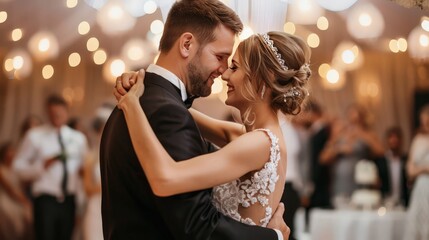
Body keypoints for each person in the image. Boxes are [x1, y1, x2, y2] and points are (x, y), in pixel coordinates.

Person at [115, 27, 311, 238]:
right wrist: (146, 82)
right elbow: (173, 107)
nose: (225, 75)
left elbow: (165, 179)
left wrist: (131, 105)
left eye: (234, 68)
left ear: (262, 79)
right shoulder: (250, 136)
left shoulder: (259, 144)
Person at [12, 94, 88, 240]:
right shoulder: (34, 136)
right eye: (53, 114)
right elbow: (18, 167)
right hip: (45, 200)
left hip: (69, 200)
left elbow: (84, 169)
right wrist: (41, 166)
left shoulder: (78, 139)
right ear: (47, 112)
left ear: (67, 111)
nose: (57, 117)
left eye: (60, 113)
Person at [320, 104, 384, 203]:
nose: (353, 121)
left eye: (357, 119)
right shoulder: (340, 134)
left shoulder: (368, 134)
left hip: (361, 182)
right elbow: (323, 158)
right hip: (340, 182)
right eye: (350, 118)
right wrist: (338, 150)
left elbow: (380, 151)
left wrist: (360, 133)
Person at [403, 104, 429, 240]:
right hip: (422, 188)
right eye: (423, 122)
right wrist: (424, 169)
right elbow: (410, 170)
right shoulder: (418, 140)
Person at [0, 142, 33, 240]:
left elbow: (22, 186)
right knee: (9, 214)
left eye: (13, 152)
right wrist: (24, 200)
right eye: (9, 152)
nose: (11, 154)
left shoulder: (16, 169)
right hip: (5, 198)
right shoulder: (1, 169)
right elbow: (9, 189)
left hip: (18, 198)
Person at [375, 126, 409, 208]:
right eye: (391, 137)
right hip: (384, 204)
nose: (394, 140)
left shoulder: (406, 160)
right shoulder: (380, 161)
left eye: (396, 137)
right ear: (387, 140)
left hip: (403, 204)